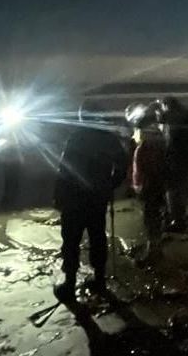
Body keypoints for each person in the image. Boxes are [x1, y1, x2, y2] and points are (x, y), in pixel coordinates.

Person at [53, 101, 128, 302]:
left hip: (74, 197)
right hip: (97, 197)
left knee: (71, 240)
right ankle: (99, 280)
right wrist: (111, 184)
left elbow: (64, 169)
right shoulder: (108, 138)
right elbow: (122, 164)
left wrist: (58, 195)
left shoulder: (76, 137)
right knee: (97, 237)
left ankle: (69, 283)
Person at [130, 108, 166, 266]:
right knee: (152, 218)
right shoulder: (152, 143)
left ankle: (154, 251)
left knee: (151, 219)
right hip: (150, 185)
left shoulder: (149, 146)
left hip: (150, 186)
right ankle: (155, 249)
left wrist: (142, 184)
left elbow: (149, 168)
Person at [157, 96, 188, 232]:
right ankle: (180, 217)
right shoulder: (186, 116)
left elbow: (168, 140)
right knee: (182, 189)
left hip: (173, 159)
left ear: (166, 105)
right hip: (185, 158)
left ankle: (176, 220)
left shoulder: (170, 119)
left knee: (172, 190)